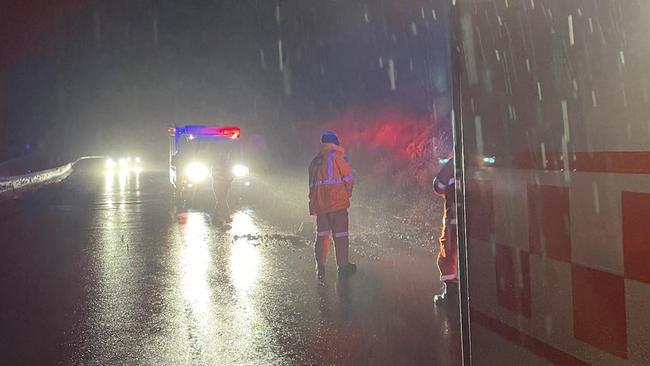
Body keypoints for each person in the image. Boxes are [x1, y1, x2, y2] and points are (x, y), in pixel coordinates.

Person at [308, 131, 356, 279]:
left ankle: (320, 266)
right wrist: (347, 193)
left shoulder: (315, 161)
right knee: (340, 235)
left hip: (320, 205)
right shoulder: (337, 156)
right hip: (337, 204)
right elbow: (348, 177)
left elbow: (312, 185)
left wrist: (315, 202)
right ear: (335, 142)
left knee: (322, 236)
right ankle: (343, 266)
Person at [433, 158, 458, 306]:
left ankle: (451, 295)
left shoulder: (453, 164)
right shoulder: (480, 159)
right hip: (477, 223)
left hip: (453, 222)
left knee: (448, 255)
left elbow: (438, 186)